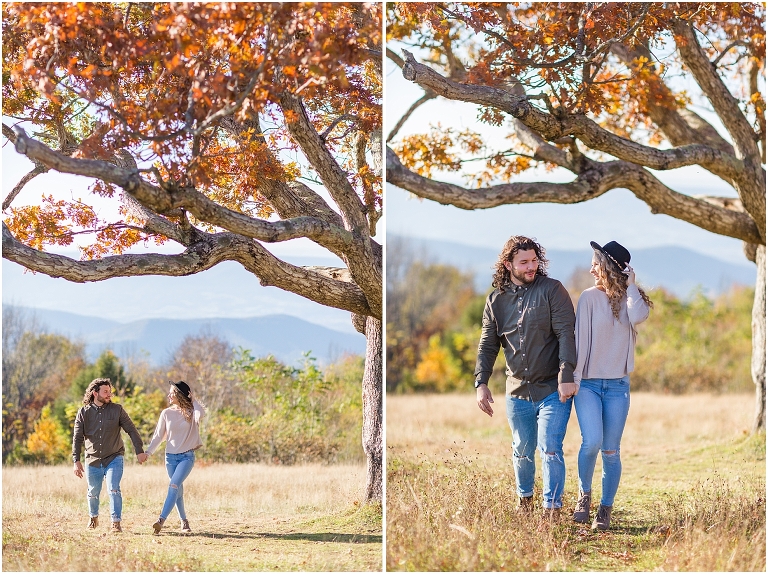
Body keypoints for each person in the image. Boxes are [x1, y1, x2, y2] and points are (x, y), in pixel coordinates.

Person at [475, 235, 577, 515]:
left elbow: (566, 334)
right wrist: (481, 382)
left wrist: (566, 373)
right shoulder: (495, 300)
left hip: (553, 390)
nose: (532, 266)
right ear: (508, 265)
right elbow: (487, 345)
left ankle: (552, 510)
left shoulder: (553, 290)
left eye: (534, 260)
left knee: (551, 449)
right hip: (516, 391)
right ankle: (526, 503)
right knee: (521, 449)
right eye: (524, 262)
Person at [571, 241, 652, 530]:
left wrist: (631, 285)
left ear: (609, 268)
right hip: (589, 385)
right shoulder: (588, 298)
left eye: (596, 263)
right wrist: (575, 381)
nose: (592, 268)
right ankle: (584, 497)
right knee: (591, 441)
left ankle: (605, 510)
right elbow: (579, 343)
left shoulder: (632, 299)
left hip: (618, 386)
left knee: (611, 451)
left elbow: (638, 316)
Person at [72, 378, 148, 533]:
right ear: (95, 393)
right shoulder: (83, 412)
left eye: (110, 391)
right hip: (92, 459)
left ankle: (116, 522)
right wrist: (76, 460)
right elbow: (77, 438)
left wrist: (139, 450)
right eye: (105, 391)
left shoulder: (117, 410)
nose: (109, 394)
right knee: (93, 492)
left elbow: (132, 430)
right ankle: (93, 517)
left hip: (114, 457)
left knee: (113, 488)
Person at [145, 380, 206, 534]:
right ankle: (184, 522)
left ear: (180, 395)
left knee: (173, 486)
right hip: (170, 458)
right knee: (176, 488)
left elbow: (201, 413)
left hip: (186, 457)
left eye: (172, 392)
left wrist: (192, 399)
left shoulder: (192, 411)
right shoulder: (166, 413)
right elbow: (158, 436)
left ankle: (161, 520)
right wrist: (148, 452)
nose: (168, 395)